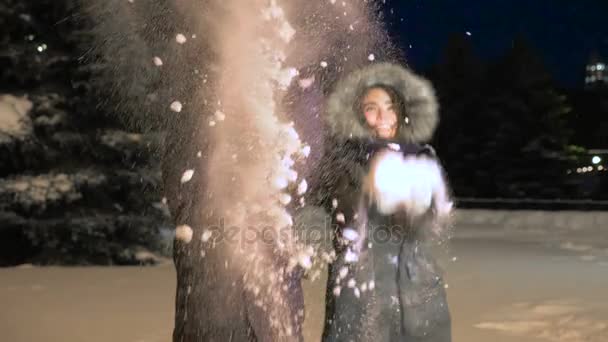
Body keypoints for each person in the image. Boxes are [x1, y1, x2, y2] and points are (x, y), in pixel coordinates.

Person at [310, 62, 453, 341]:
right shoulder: (342, 162)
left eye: (389, 106)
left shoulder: (421, 157)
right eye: (371, 108)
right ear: (358, 115)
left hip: (416, 289)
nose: (383, 116)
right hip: (360, 293)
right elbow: (322, 215)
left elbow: (434, 221)